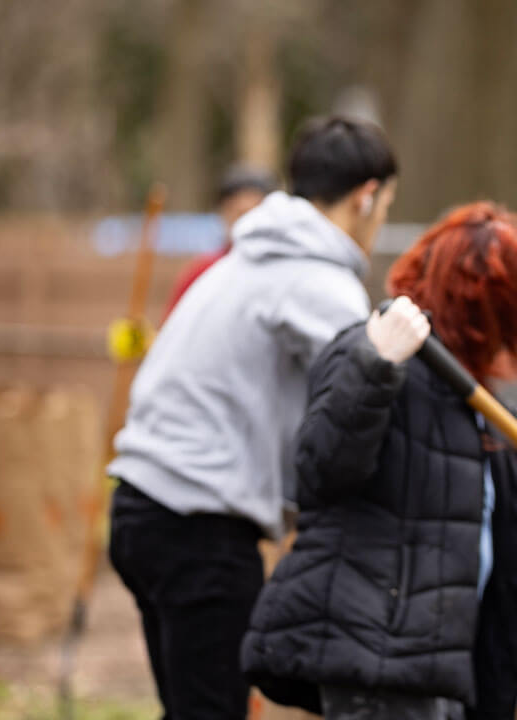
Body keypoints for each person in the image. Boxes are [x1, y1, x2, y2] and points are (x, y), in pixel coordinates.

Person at [241, 201, 517, 720]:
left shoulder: (485, 412)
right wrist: (375, 367)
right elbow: (321, 472)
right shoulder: (375, 355)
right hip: (379, 658)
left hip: (452, 671)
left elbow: (490, 545)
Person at [107, 116, 398, 719]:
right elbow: (361, 401)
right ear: (367, 196)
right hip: (198, 524)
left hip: (142, 507)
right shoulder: (320, 282)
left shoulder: (241, 261)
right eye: (387, 204)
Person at [161, 165, 278, 319]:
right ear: (223, 212)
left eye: (254, 213)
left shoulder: (280, 271)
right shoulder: (203, 273)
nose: (246, 224)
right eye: (238, 213)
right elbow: (173, 328)